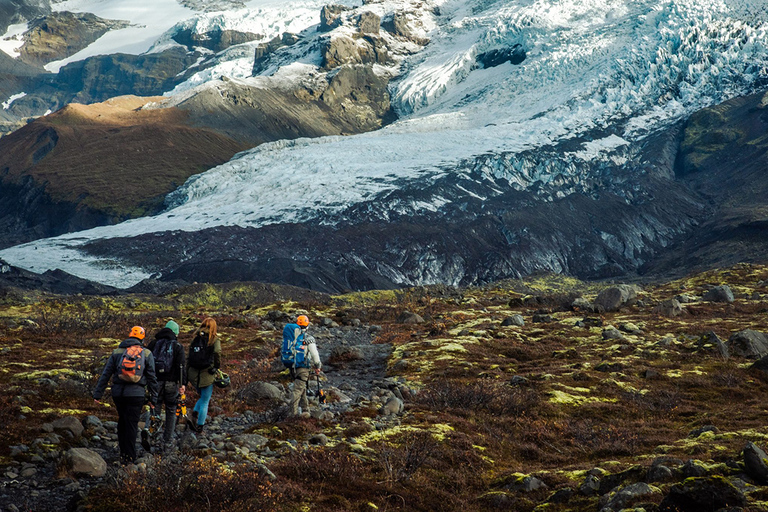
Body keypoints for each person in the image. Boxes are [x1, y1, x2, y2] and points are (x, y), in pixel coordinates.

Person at [93, 326, 158, 465]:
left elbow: (106, 374)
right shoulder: (146, 353)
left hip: (118, 394)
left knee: (122, 421)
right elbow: (152, 378)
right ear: (142, 338)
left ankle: (123, 453)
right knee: (132, 424)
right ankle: (130, 457)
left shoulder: (117, 352)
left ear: (129, 335)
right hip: (136, 395)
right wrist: (154, 398)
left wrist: (98, 394)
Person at [139, 320, 186, 450]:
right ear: (175, 332)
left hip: (155, 382)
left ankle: (150, 435)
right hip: (171, 383)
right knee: (171, 410)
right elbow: (181, 367)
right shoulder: (177, 346)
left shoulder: (153, 344)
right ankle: (167, 440)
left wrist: (146, 381)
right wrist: (182, 384)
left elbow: (146, 363)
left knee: (155, 408)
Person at [185, 317, 221, 433]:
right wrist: (216, 367)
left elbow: (189, 357)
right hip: (207, 374)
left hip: (193, 374)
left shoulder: (196, 338)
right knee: (205, 400)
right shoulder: (214, 339)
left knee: (202, 397)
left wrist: (186, 374)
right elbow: (217, 352)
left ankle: (194, 414)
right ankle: (200, 426)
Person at [285, 315, 322, 417]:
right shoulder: (308, 338)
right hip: (303, 367)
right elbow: (315, 354)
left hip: (292, 367)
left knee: (302, 388)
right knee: (297, 390)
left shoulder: (292, 337)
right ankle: (293, 415)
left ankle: (306, 411)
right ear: (307, 325)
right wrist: (318, 366)